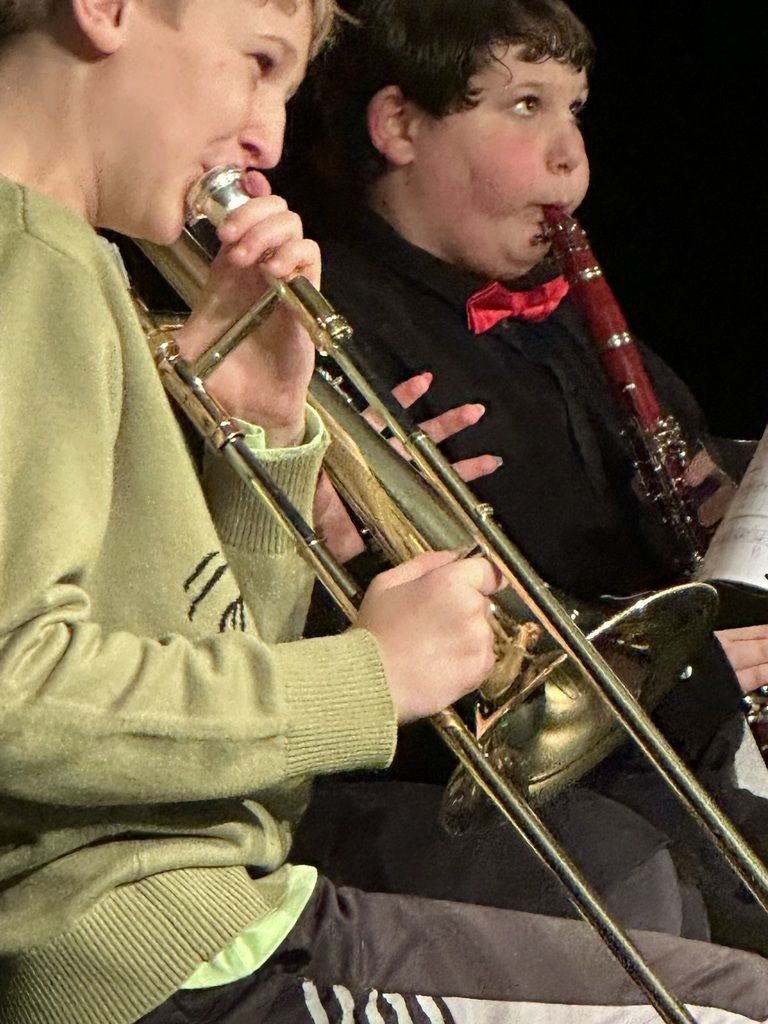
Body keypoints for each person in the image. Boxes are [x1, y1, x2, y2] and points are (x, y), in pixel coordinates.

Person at [6, 2, 768, 1024]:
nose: (267, 139)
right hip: (159, 949)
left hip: (229, 906)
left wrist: (264, 441)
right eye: (257, 63)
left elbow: (200, 649)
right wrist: (373, 673)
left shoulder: (77, 262)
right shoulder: (30, 260)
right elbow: (17, 689)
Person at [279, 0, 768, 958]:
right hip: (488, 794)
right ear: (400, 126)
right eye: (524, 105)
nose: (568, 156)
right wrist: (681, 675)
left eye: (574, 109)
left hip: (666, 753)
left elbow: (693, 525)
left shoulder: (567, 317)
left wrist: (722, 516)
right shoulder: (328, 325)